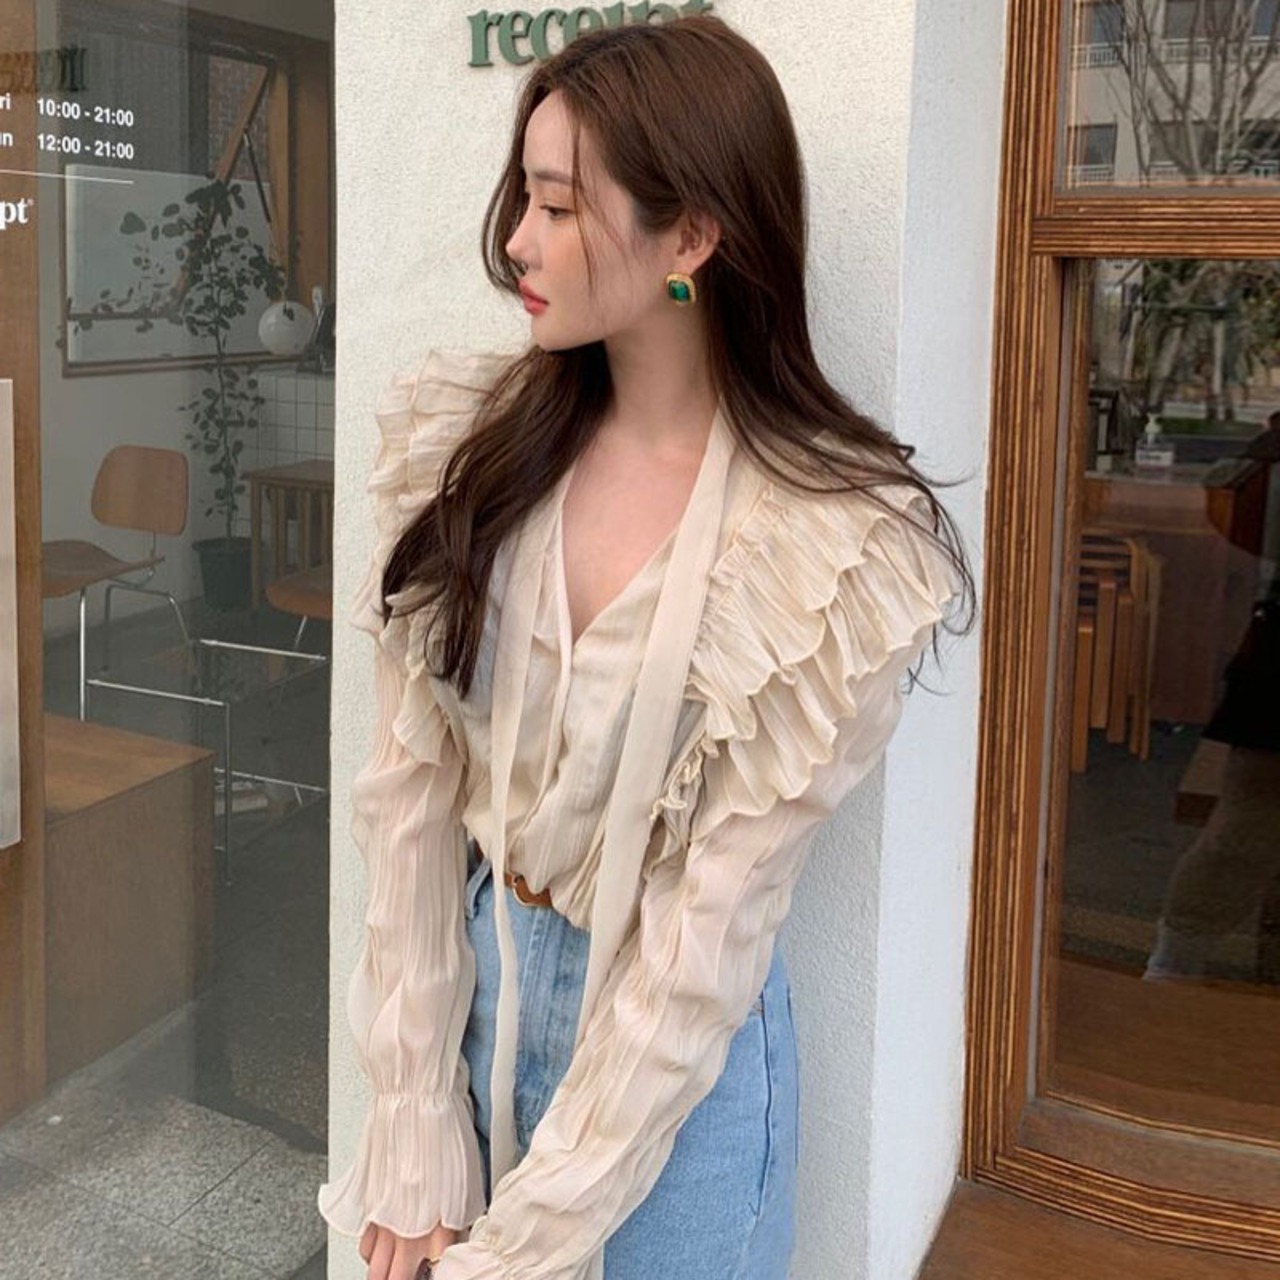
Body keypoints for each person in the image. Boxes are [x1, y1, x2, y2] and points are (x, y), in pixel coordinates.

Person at [318, 15, 974, 1280]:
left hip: (682, 1087)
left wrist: (530, 1241)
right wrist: (409, 1111)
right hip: (468, 1002)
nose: (517, 239)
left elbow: (707, 930)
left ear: (691, 237)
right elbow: (406, 797)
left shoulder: (826, 544)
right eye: (523, 196)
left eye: (559, 206)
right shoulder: (474, 454)